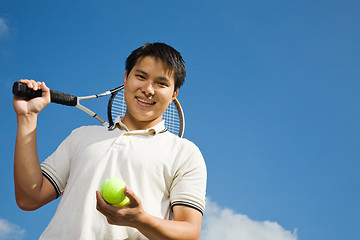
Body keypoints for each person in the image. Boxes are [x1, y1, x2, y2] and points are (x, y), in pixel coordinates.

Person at [13, 42, 207, 240]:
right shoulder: (81, 136)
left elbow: (190, 233)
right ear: (126, 78)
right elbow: (29, 198)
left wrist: (140, 219)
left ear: (174, 93)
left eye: (161, 83)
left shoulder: (185, 153)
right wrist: (27, 118)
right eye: (141, 77)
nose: (148, 89)